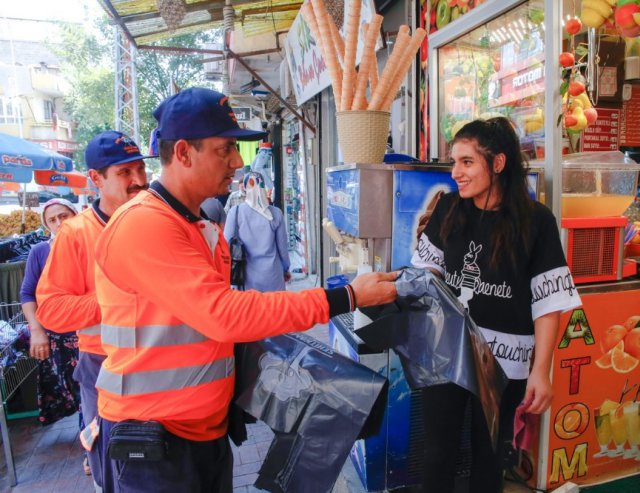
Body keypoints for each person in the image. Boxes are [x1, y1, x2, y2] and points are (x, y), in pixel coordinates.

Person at [92, 87, 397, 492]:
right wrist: (347, 297)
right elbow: (225, 315)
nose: (237, 163)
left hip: (201, 431)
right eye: (225, 150)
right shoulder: (144, 224)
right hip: (157, 439)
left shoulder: (197, 224)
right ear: (183, 153)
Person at [410, 118, 581, 492]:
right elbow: (426, 277)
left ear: (498, 163)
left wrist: (541, 370)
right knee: (438, 452)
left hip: (506, 361)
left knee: (490, 457)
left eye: (467, 162)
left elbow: (549, 302)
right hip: (447, 353)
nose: (456, 172)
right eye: (454, 162)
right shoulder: (449, 209)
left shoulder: (536, 222)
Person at [35, 130, 153, 488]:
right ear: (96, 179)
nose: (137, 181)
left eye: (140, 170)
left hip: (159, 366)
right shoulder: (75, 234)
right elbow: (52, 310)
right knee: (113, 465)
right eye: (124, 173)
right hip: (103, 368)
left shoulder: (157, 219)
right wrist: (117, 300)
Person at [20, 199, 81, 427]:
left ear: (75, 214)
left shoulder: (90, 243)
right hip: (58, 337)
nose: (59, 223)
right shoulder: (40, 251)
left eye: (64, 216)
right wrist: (36, 331)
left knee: (92, 395)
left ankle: (91, 451)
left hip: (90, 332)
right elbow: (27, 293)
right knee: (73, 392)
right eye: (52, 220)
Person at [224, 171, 291, 291]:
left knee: (251, 309)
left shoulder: (235, 212)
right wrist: (285, 269)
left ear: (244, 188)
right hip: (273, 277)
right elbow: (283, 248)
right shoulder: (275, 213)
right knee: (275, 308)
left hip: (245, 278)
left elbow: (226, 244)